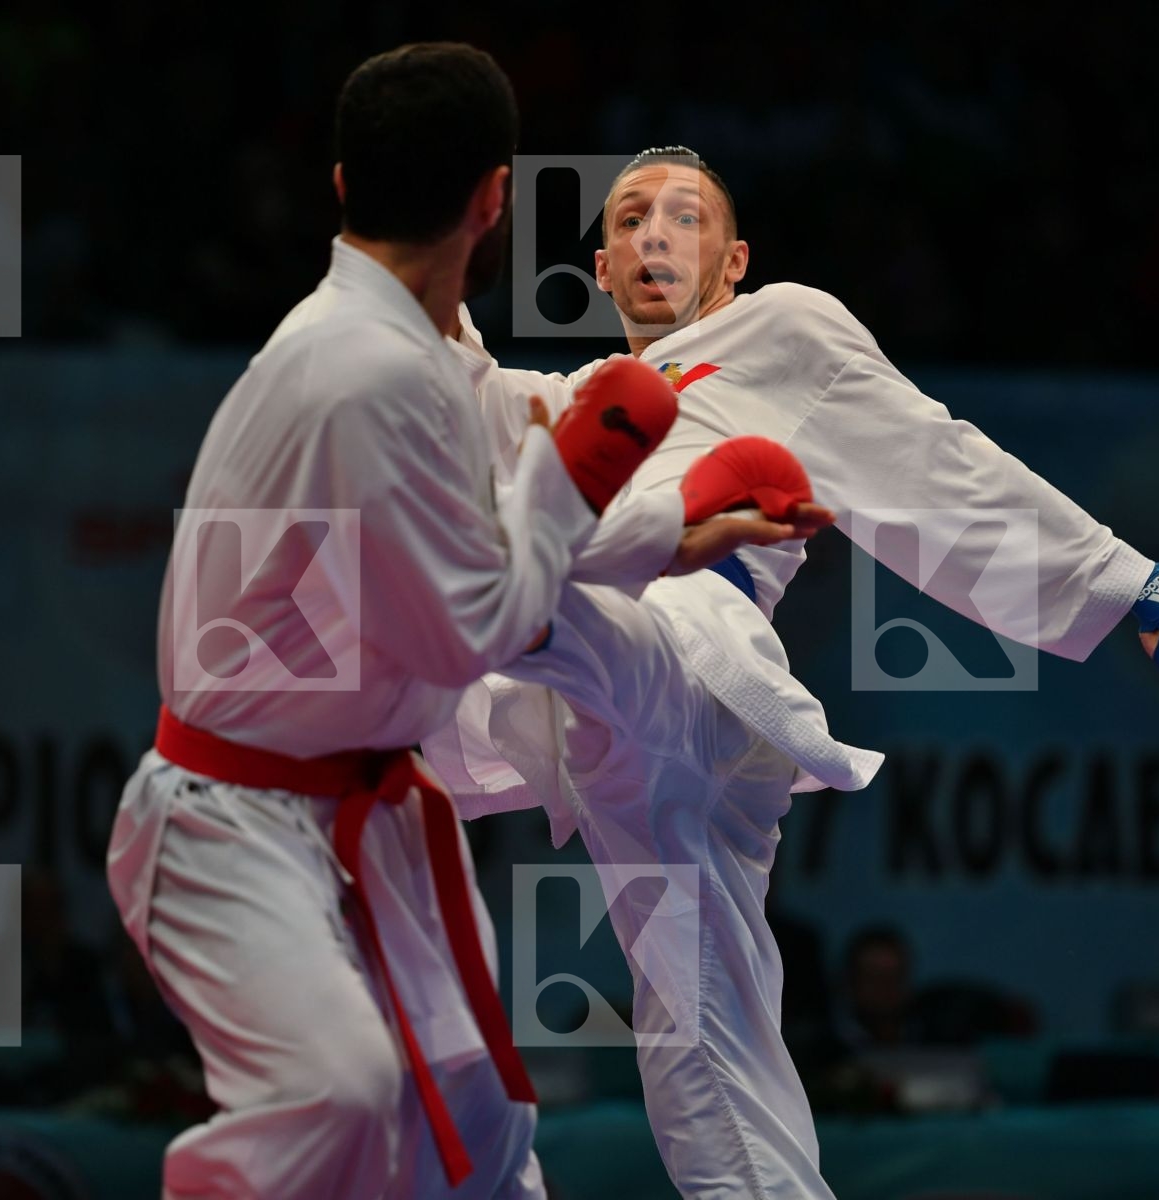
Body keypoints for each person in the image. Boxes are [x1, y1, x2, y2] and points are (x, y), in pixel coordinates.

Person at [426, 146, 1159, 1198]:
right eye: (630, 218)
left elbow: (941, 467)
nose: (654, 234)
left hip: (690, 657)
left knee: (502, 627)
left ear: (734, 261)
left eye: (685, 217)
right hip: (595, 696)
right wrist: (427, 235)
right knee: (703, 1029)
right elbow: (456, 394)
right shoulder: (576, 401)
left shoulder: (778, 329)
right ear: (600, 269)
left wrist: (1140, 593)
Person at [104, 62, 819, 1200]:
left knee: (481, 1124)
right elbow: (469, 628)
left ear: (344, 184)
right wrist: (592, 480)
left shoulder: (429, 354)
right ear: (496, 198)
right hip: (232, 820)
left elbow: (520, 466)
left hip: (364, 803)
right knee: (338, 1098)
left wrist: (675, 522)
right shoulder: (359, 375)